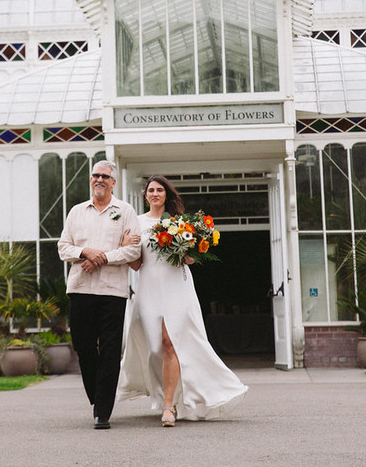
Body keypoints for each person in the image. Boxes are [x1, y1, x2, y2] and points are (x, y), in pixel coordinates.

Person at [117, 174, 248, 426]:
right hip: (149, 289)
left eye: (159, 190)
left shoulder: (179, 222)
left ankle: (168, 407)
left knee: (170, 343)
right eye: (151, 190)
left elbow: (189, 260)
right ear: (145, 195)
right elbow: (135, 264)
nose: (155, 194)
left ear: (167, 195)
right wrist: (124, 244)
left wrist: (186, 245)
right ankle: (170, 395)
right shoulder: (136, 223)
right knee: (155, 348)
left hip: (177, 287)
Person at [58, 159, 141, 429]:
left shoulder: (125, 211)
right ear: (90, 179)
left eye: (105, 176)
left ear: (113, 182)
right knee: (83, 347)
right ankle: (97, 397)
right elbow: (62, 247)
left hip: (113, 293)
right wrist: (84, 252)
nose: (100, 180)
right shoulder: (77, 212)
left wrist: (101, 257)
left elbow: (133, 251)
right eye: (96, 175)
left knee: (109, 350)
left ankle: (102, 411)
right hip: (81, 289)